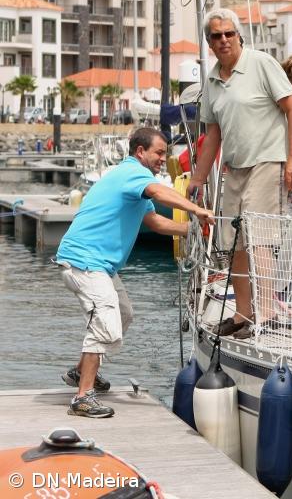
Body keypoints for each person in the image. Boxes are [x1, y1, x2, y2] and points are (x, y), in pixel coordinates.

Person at [57, 128, 213, 418]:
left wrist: (194, 229)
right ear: (140, 152)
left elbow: (154, 222)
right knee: (106, 323)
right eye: (158, 153)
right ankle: (82, 398)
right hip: (84, 262)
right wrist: (196, 209)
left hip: (99, 265)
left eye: (164, 153)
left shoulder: (133, 182)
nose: (162, 159)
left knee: (123, 313)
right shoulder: (132, 174)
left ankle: (81, 374)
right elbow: (157, 191)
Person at [186, 8, 292, 340]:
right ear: (209, 42)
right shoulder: (211, 80)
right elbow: (213, 135)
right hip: (235, 169)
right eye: (216, 36)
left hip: (268, 161)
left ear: (239, 35)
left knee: (259, 237)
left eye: (228, 34)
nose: (223, 40)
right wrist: (197, 179)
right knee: (233, 241)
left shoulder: (261, 63)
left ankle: (265, 314)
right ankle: (242, 313)